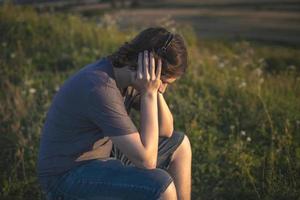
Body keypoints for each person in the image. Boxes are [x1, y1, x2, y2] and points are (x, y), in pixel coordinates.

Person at [37, 27, 192, 200]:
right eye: (163, 82)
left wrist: (155, 91)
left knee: (180, 145)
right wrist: (149, 92)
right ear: (147, 68)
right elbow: (147, 161)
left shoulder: (128, 78)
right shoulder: (100, 87)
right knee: (161, 186)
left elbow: (166, 130)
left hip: (102, 157)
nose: (162, 88)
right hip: (67, 176)